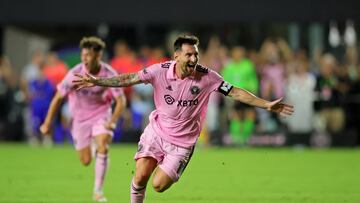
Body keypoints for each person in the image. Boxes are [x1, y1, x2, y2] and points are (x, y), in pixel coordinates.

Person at [73, 35, 294, 203]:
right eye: (189, 54)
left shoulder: (207, 77)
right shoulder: (159, 71)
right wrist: (99, 81)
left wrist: (266, 104)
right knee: (140, 177)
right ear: (176, 56)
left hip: (182, 143)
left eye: (195, 54)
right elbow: (129, 78)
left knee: (158, 185)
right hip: (157, 132)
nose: (194, 58)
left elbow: (234, 91)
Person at [40, 36, 126, 202]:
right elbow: (58, 98)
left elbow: (121, 100)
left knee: (103, 145)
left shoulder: (108, 74)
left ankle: (98, 191)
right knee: (86, 161)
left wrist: (113, 121)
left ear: (98, 56)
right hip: (79, 120)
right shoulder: (74, 74)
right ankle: (94, 146)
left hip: (101, 115)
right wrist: (47, 122)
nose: (84, 58)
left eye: (88, 55)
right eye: (83, 55)